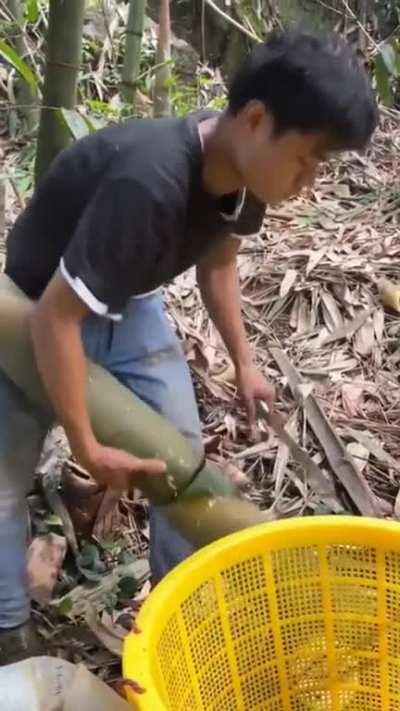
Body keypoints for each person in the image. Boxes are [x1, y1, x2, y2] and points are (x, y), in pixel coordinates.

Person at [0, 30, 377, 663]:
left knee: (181, 466)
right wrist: (89, 446)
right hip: (31, 308)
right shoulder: (148, 183)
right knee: (3, 481)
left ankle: (182, 612)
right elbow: (55, 325)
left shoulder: (243, 178)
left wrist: (246, 362)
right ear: (256, 119)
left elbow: (218, 264)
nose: (309, 181)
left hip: (126, 301)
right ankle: (8, 626)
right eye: (307, 159)